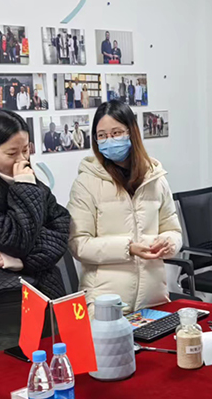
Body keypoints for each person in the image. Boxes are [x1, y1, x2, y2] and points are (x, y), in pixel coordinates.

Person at [0, 109, 71, 356]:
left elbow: (61, 226)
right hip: (6, 306)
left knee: (55, 366)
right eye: (11, 153)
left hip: (47, 295)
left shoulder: (31, 181)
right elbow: (16, 239)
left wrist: (21, 262)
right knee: (9, 373)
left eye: (26, 150)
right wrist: (24, 187)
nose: (22, 160)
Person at [68, 100, 182, 313]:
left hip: (153, 297)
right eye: (102, 135)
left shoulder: (155, 178)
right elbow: (78, 244)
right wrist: (127, 248)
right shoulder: (86, 183)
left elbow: (173, 230)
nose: (109, 140)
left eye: (116, 133)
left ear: (132, 132)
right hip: (105, 302)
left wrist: (169, 243)